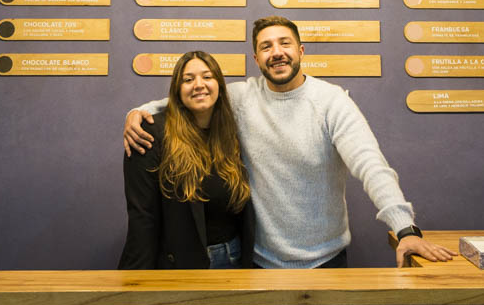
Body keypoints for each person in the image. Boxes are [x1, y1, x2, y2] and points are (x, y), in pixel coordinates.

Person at [124, 16, 455, 269]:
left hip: (326, 261)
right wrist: (139, 111)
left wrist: (405, 229)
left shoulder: (332, 102)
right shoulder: (242, 97)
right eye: (266, 47)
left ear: (300, 50)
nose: (276, 53)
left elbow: (371, 165)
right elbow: (192, 97)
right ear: (256, 58)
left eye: (284, 43)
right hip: (259, 262)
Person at [118, 51, 254, 269]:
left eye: (207, 77)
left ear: (219, 86)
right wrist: (134, 284)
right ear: (177, 90)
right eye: (188, 79)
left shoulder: (231, 133)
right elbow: (143, 217)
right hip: (183, 265)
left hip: (235, 260)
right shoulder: (150, 134)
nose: (199, 85)